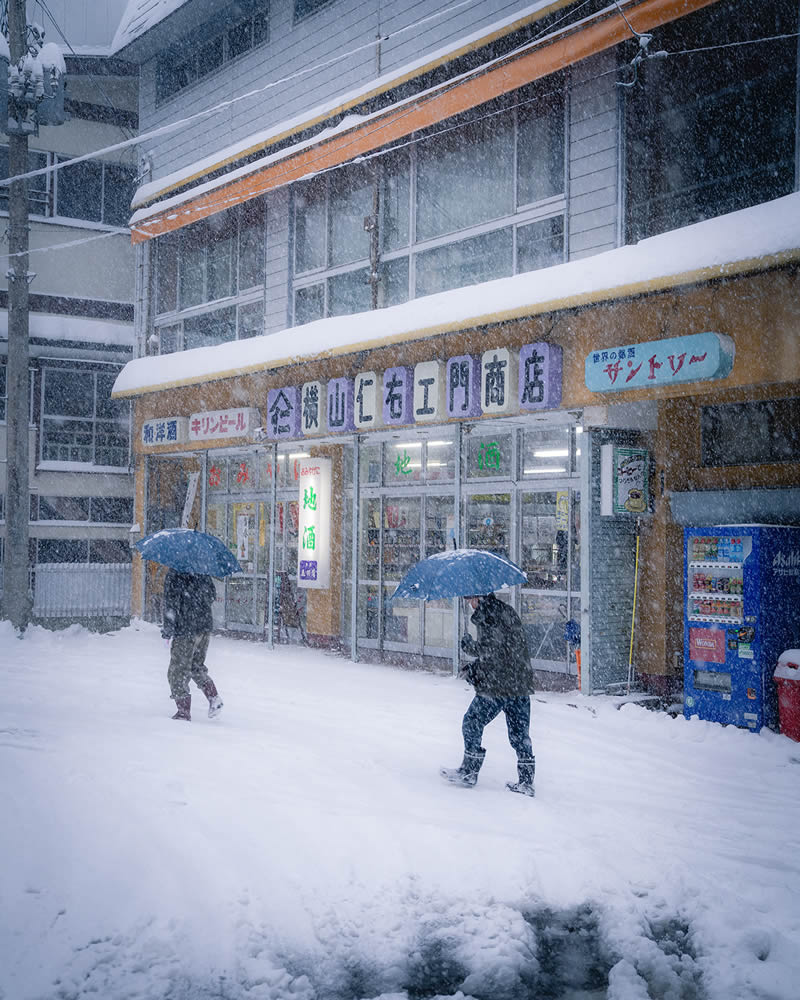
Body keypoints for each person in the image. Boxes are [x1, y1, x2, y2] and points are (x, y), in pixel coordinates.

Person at [440, 592, 536, 796]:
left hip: (499, 686)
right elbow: (507, 651)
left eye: (470, 600)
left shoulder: (489, 616)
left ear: (479, 598)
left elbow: (492, 652)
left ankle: (469, 772)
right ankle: (526, 782)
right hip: (519, 683)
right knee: (520, 735)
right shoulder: (505, 611)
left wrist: (471, 652)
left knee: (472, 722)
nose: (469, 604)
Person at [162, 569, 223, 722]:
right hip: (203, 627)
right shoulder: (202, 571)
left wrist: (169, 628)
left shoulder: (175, 573)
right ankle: (214, 698)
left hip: (186, 629)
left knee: (177, 671)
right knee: (196, 666)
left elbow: (171, 603)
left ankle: (183, 712)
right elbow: (211, 596)